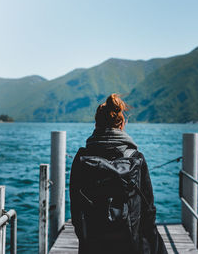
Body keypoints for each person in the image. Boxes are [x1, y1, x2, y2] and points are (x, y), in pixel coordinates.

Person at [69, 94, 165, 254]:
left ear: (96, 124)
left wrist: (84, 239)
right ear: (122, 124)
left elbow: (76, 207)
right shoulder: (135, 157)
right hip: (129, 242)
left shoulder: (82, 158)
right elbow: (148, 211)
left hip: (93, 242)